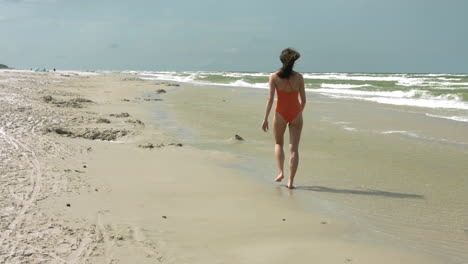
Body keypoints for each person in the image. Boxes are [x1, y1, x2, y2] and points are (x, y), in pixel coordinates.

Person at [262, 48, 306, 189]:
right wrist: (298, 113)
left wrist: (265, 118)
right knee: (294, 149)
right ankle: (291, 182)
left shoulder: (274, 77)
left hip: (280, 113)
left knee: (278, 144)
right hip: (296, 114)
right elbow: (303, 100)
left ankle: (280, 172)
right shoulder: (299, 77)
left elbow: (270, 99)